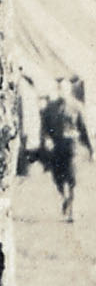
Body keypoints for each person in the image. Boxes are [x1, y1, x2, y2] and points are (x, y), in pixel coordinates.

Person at [40, 76, 93, 221]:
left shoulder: (77, 107)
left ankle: (71, 209)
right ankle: (64, 197)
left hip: (72, 146)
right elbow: (44, 128)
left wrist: (91, 149)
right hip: (57, 146)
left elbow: (84, 129)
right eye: (60, 88)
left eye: (65, 88)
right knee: (57, 177)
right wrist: (46, 139)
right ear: (58, 90)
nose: (63, 91)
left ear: (69, 90)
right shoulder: (50, 108)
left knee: (71, 177)